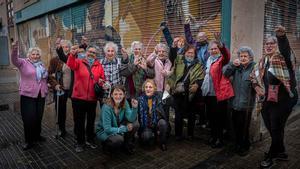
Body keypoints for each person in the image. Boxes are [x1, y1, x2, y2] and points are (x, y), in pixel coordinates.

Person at [250, 26, 298, 168]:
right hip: (269, 99)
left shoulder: (283, 59)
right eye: (267, 43)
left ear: (277, 45)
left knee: (276, 127)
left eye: (272, 43)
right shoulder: (262, 61)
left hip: (284, 99)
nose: (269, 45)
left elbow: (285, 51)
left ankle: (272, 155)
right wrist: (257, 87)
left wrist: (282, 37)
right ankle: (281, 151)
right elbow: (253, 77)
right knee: (272, 127)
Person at [67, 45, 105, 152]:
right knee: (79, 121)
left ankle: (90, 139)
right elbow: (70, 64)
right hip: (78, 98)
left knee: (91, 121)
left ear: (96, 55)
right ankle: (80, 142)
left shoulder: (99, 66)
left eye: (94, 52)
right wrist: (72, 54)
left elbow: (102, 78)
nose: (91, 54)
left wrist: (102, 82)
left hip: (92, 99)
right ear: (86, 52)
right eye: (90, 51)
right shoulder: (79, 62)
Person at [11, 42, 48, 150]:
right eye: (33, 54)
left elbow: (43, 79)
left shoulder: (41, 65)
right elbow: (14, 60)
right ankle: (28, 141)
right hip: (28, 95)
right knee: (28, 119)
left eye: (37, 54)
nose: (35, 56)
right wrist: (14, 49)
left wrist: (47, 86)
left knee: (38, 117)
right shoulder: (23, 63)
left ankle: (37, 136)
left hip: (40, 95)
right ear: (29, 55)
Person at [201, 33, 234, 148]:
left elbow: (227, 55)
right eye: (211, 49)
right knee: (211, 118)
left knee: (219, 118)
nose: (213, 50)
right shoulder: (208, 60)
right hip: (209, 93)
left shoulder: (222, 60)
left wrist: (221, 44)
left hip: (218, 94)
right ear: (208, 50)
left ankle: (219, 139)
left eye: (215, 48)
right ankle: (213, 137)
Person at [223, 46, 256, 156]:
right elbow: (225, 74)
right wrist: (232, 64)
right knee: (236, 126)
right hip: (234, 103)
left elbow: (257, 84)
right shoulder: (236, 68)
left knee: (244, 127)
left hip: (246, 104)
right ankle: (238, 144)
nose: (243, 58)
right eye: (241, 56)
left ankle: (244, 146)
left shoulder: (254, 68)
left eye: (245, 56)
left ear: (250, 57)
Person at [171, 45, 205, 141]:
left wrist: (197, 85)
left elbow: (201, 78)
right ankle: (178, 134)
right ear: (185, 53)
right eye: (188, 52)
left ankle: (190, 134)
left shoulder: (198, 65)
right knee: (178, 115)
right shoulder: (179, 61)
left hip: (192, 94)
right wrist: (172, 85)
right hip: (179, 93)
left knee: (192, 115)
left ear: (195, 55)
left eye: (192, 53)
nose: (190, 54)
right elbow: (173, 74)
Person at [96, 85, 139, 154]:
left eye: (120, 94)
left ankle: (126, 144)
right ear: (111, 95)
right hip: (104, 131)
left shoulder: (125, 102)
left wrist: (134, 108)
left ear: (124, 95)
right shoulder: (106, 107)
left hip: (118, 125)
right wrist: (124, 129)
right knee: (118, 140)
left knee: (135, 124)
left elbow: (130, 119)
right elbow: (107, 129)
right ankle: (106, 145)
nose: (118, 96)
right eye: (115, 94)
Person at [48, 40, 73, 138]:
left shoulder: (74, 58)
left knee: (76, 109)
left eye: (67, 47)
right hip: (60, 88)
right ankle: (61, 129)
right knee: (60, 110)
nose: (65, 49)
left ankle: (77, 129)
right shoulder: (55, 60)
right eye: (63, 47)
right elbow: (50, 74)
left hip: (72, 89)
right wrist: (55, 85)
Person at [138, 79, 169, 151]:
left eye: (150, 87)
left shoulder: (159, 97)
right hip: (146, 125)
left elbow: (168, 101)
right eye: (146, 87)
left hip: (156, 122)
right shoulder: (140, 99)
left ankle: (162, 142)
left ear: (154, 88)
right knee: (146, 137)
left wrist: (167, 92)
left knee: (163, 123)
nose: (148, 89)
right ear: (144, 88)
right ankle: (151, 137)